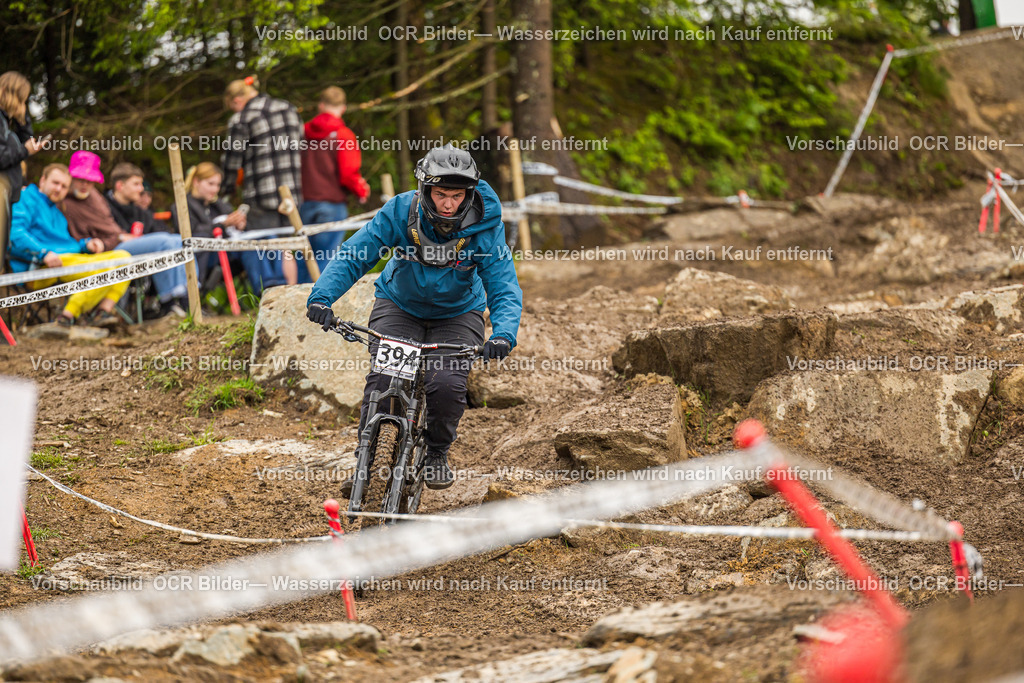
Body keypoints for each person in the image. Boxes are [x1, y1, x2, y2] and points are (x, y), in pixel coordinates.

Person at [306, 146, 522, 490]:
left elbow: (503, 283)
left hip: (458, 312)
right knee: (384, 380)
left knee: (447, 385)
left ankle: (437, 452)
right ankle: (366, 459)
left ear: (469, 193)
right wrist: (322, 297)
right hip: (399, 305)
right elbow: (355, 254)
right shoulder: (400, 210)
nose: (448, 204)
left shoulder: (485, 226)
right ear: (425, 190)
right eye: (440, 194)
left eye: (456, 195)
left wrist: (503, 334)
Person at [61, 152, 188, 317]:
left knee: (178, 240)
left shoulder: (95, 198)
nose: (85, 184)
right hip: (104, 248)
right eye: (80, 179)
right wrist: (118, 237)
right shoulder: (64, 201)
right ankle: (168, 303)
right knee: (165, 242)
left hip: (114, 242)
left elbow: (108, 227)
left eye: (90, 180)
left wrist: (119, 236)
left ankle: (185, 299)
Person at [8, 164, 131, 327]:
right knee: (103, 268)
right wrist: (43, 253)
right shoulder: (25, 198)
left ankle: (102, 312)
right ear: (43, 180)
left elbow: (67, 245)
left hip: (65, 261)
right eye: (55, 183)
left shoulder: (58, 211)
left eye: (64, 186)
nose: (58, 189)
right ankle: (67, 317)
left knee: (124, 258)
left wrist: (86, 245)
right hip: (37, 268)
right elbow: (15, 233)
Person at [222, 76, 303, 294]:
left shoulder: (242, 118)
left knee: (262, 246)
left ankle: (270, 298)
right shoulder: (288, 108)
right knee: (286, 248)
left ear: (237, 100)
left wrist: (226, 190)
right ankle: (293, 296)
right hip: (291, 194)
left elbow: (232, 160)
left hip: (260, 195)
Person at [300, 86, 371, 275]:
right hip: (332, 205)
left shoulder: (301, 133)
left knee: (305, 258)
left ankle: (297, 300)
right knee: (326, 258)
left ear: (320, 105)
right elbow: (348, 174)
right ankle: (319, 302)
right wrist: (361, 191)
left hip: (303, 203)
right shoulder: (343, 135)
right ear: (343, 108)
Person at [170, 162, 247, 284]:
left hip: (227, 253)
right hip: (202, 257)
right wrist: (222, 225)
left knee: (258, 245)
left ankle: (271, 287)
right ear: (196, 182)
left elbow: (233, 226)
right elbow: (191, 233)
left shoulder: (218, 205)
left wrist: (239, 225)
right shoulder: (182, 206)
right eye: (210, 184)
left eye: (217, 185)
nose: (215, 189)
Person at [0, 71, 43, 271]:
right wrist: (24, 150)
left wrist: (23, 120)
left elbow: (25, 140)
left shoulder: (5, 122)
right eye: (22, 100)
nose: (23, 104)